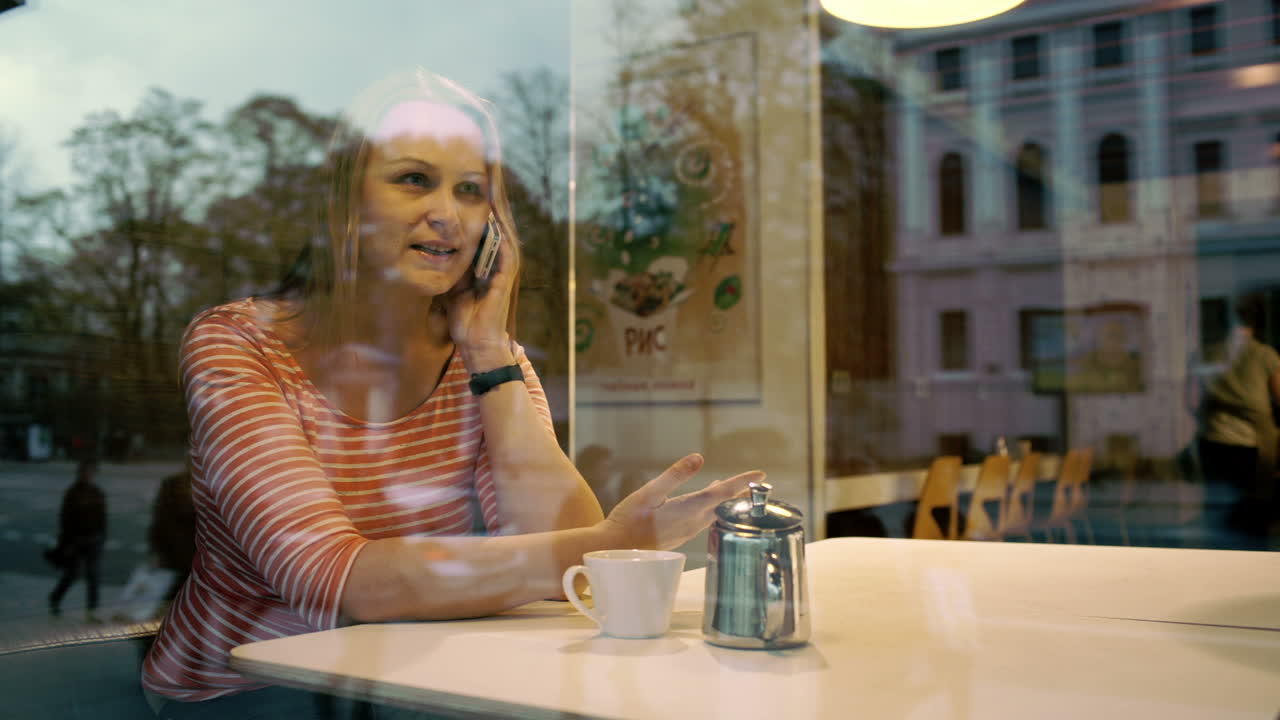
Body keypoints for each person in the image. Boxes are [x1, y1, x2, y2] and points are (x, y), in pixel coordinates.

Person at [141, 69, 760, 717]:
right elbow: (337, 579)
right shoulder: (237, 344)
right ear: (346, 203)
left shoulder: (487, 358)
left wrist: (489, 353)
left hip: (410, 683)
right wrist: (600, 545)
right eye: (414, 179)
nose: (447, 215)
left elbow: (565, 567)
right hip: (247, 690)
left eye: (470, 191)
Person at [1196, 293, 1280, 547]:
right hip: (1251, 443)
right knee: (1253, 513)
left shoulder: (1209, 354)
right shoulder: (1264, 355)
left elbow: (1190, 400)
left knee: (1219, 513)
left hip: (1213, 439)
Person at [48, 458, 107, 621]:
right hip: (76, 540)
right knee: (72, 574)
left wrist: (102, 537)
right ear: (80, 473)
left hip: (93, 540)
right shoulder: (72, 493)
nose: (88, 475)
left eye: (90, 472)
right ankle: (55, 597)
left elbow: (102, 517)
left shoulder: (97, 492)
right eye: (85, 472)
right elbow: (65, 520)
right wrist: (66, 542)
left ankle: (91, 612)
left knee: (93, 576)